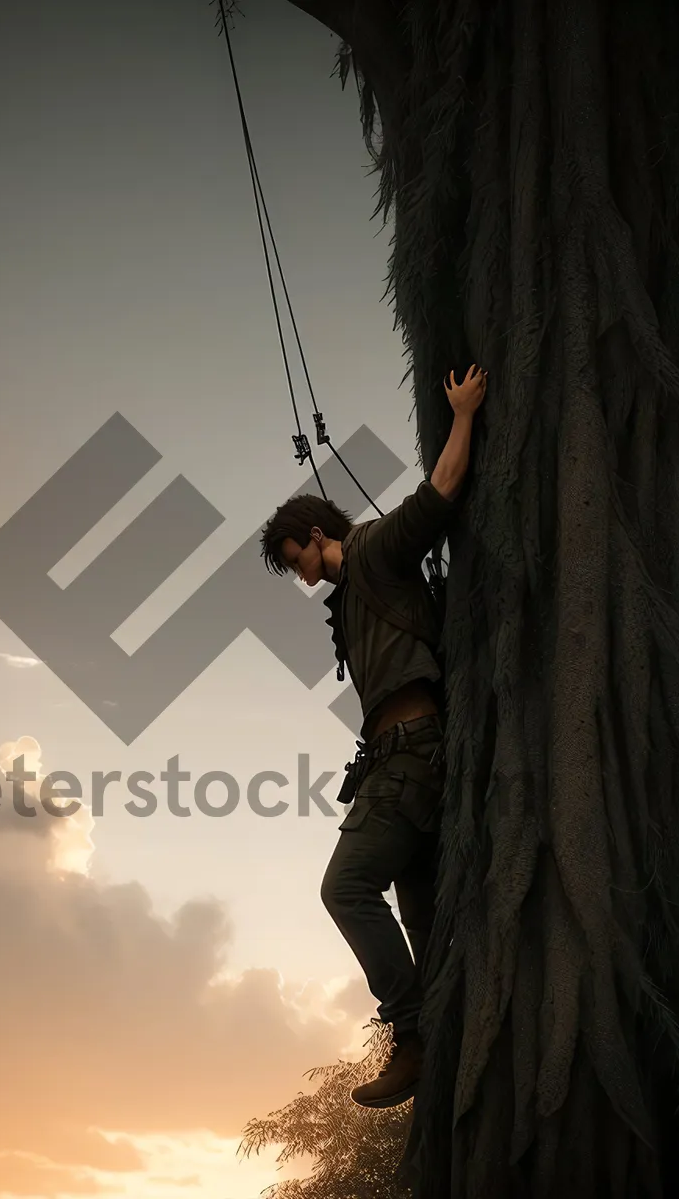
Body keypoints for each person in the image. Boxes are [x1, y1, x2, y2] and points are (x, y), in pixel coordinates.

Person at [258, 364, 487, 1108]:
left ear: (317, 534)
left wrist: (463, 413)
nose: (302, 578)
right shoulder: (352, 586)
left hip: (413, 760)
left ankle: (412, 1034)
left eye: (298, 561)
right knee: (422, 920)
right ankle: (446, 1039)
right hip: (405, 764)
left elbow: (439, 495)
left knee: (346, 886)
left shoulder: (373, 553)